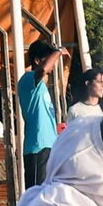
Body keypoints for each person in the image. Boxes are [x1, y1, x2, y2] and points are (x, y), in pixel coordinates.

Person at [18, 40, 67, 187]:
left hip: (50, 147)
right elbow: (44, 69)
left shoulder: (42, 88)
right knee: (36, 198)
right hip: (37, 147)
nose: (53, 65)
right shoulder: (27, 79)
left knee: (48, 196)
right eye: (49, 59)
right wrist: (58, 51)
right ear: (37, 60)